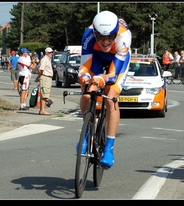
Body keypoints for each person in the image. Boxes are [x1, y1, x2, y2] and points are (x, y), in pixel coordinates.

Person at [78, 10, 132, 168]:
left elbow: (113, 75)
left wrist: (104, 78)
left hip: (117, 59)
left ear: (116, 33)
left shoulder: (124, 37)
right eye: (101, 36)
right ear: (94, 33)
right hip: (96, 56)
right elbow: (84, 67)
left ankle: (109, 147)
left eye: (110, 36)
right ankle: (86, 133)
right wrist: (83, 77)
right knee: (87, 93)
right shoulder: (87, 36)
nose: (106, 41)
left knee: (111, 95)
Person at [35, 47, 55, 115]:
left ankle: (42, 110)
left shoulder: (48, 59)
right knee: (45, 95)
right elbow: (41, 70)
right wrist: (39, 77)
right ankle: (43, 110)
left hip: (48, 77)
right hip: (45, 77)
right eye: (49, 52)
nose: (51, 53)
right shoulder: (44, 59)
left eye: (52, 52)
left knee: (44, 94)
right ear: (46, 53)